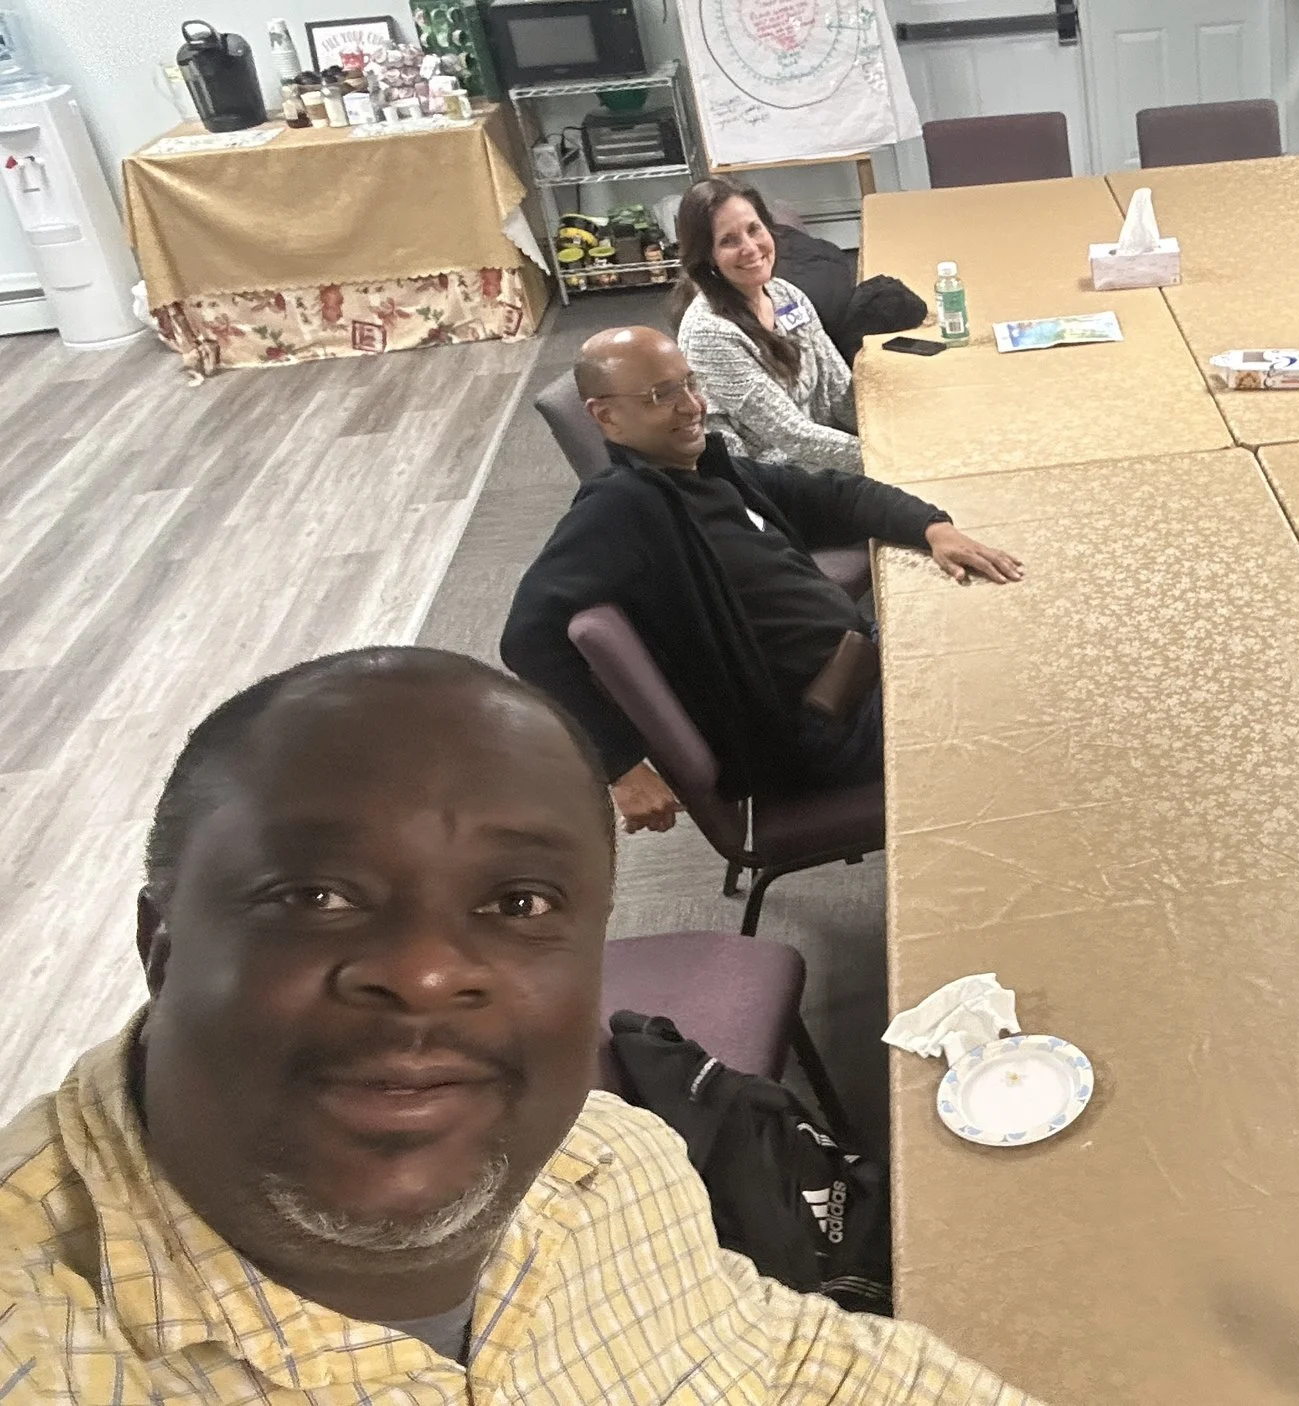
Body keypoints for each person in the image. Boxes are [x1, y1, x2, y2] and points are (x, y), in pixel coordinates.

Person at [0, 647, 1038, 1402]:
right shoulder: (42, 1337)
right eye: (313, 893)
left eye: (519, 904)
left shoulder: (609, 1164)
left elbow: (781, 1358)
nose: (422, 970)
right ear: (161, 939)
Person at [501, 327, 1022, 835]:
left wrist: (933, 527)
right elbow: (527, 638)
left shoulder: (701, 467)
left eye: (690, 383)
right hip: (825, 726)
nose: (691, 406)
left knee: (1007, 638)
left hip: (860, 663)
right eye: (662, 395)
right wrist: (620, 765)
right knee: (1011, 706)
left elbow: (831, 494)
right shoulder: (621, 510)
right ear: (607, 417)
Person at [675, 178, 865, 473]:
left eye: (754, 229)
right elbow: (792, 436)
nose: (750, 248)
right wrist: (885, 456)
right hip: (771, 479)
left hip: (823, 456)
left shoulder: (785, 294)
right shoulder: (709, 333)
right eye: (728, 240)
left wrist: (888, 430)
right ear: (706, 255)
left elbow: (840, 392)